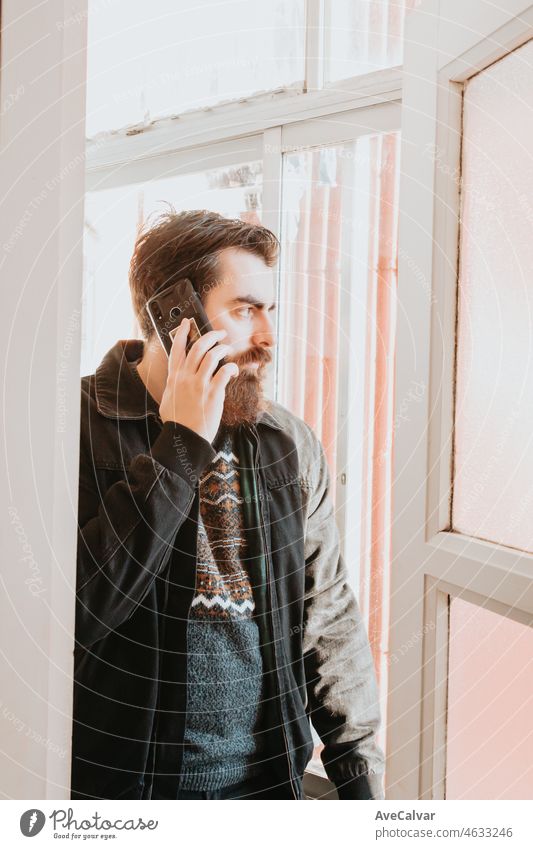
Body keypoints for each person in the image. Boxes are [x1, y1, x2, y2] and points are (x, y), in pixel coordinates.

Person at [71, 209, 384, 801]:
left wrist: (359, 776)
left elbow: (329, 617)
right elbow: (74, 611)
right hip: (118, 794)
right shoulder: (75, 426)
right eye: (244, 309)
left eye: (271, 311)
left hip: (266, 791)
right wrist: (181, 443)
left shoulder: (286, 443)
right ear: (175, 317)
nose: (267, 335)